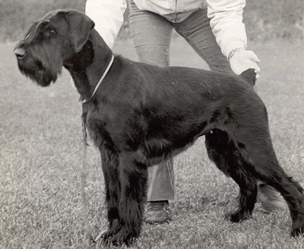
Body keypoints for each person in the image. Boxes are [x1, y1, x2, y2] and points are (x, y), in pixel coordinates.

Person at [85, 0, 286, 224]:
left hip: (199, 10)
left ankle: (262, 180)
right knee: (153, 96)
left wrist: (236, 50)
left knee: (236, 82)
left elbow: (226, 8)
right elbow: (105, 3)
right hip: (148, 10)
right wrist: (94, 45)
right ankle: (157, 196)